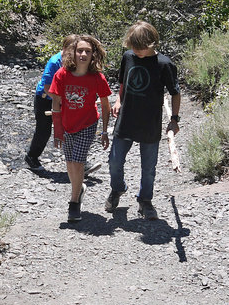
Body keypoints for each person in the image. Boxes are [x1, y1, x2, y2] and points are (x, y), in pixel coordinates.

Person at [106, 21, 181, 221]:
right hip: (126, 119)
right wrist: (118, 100)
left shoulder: (164, 64)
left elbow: (175, 93)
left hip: (150, 122)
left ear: (152, 44)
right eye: (133, 47)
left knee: (148, 167)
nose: (136, 51)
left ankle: (145, 200)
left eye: (140, 48)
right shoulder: (128, 56)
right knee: (114, 162)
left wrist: (174, 119)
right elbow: (123, 82)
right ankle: (117, 189)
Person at [49, 35, 111, 222]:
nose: (83, 54)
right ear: (73, 53)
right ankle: (80, 187)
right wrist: (57, 130)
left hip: (87, 124)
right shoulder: (61, 74)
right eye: (80, 51)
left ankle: (74, 202)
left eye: (88, 51)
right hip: (68, 125)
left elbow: (105, 104)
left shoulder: (97, 78)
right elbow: (56, 103)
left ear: (93, 55)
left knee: (78, 161)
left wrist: (105, 131)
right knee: (69, 163)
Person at [24, 36, 102, 176]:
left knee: (73, 128)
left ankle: (80, 162)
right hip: (46, 99)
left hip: (65, 99)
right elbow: (48, 87)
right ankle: (32, 157)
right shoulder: (55, 62)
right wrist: (62, 101)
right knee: (44, 130)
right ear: (65, 48)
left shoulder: (76, 61)